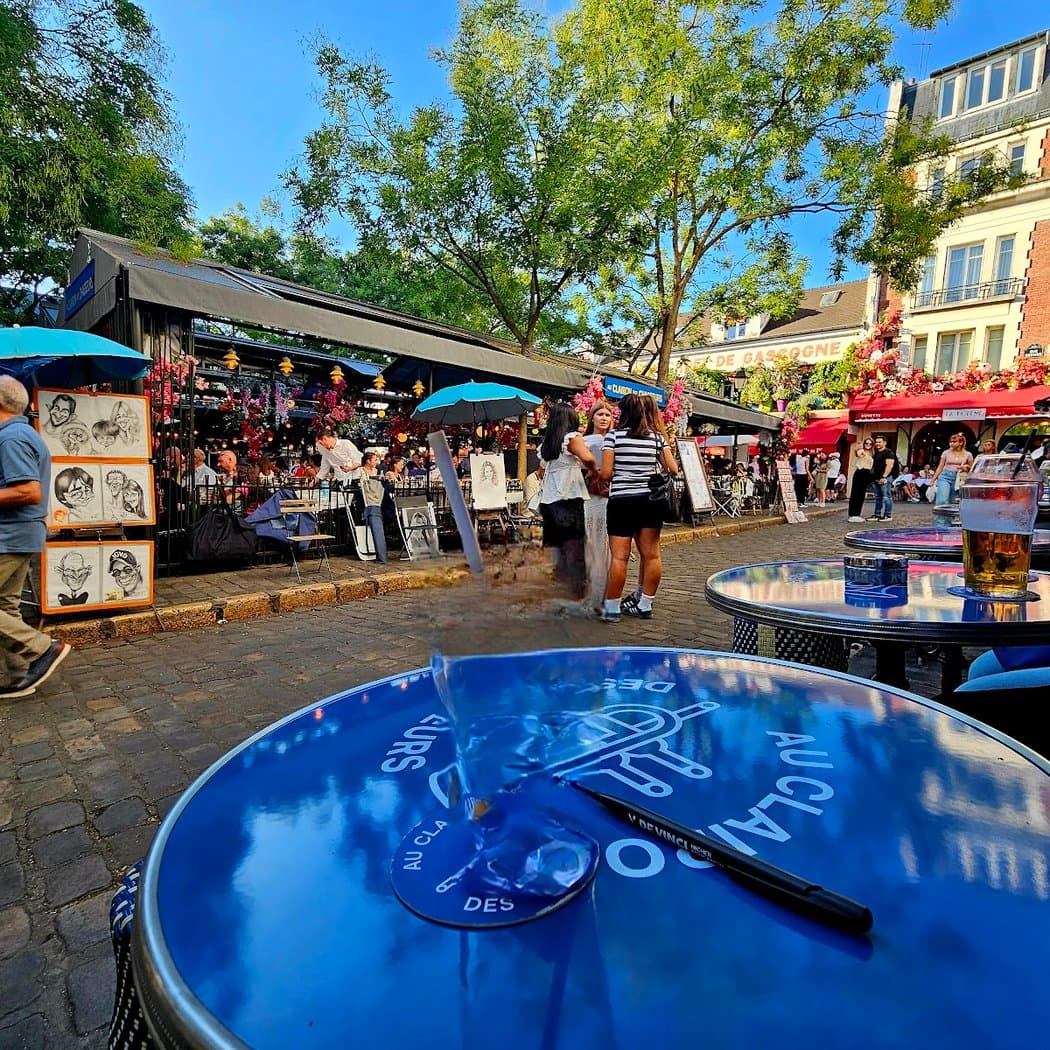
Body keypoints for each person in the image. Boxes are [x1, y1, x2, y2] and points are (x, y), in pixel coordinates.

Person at [0, 376, 70, 699]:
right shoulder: (25, 434)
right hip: (23, 534)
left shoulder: (10, 438)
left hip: (9, 536)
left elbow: (28, 490)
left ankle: (42, 648)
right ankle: (19, 675)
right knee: (6, 607)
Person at [600, 392, 679, 623]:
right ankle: (645, 605)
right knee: (651, 555)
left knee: (619, 558)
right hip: (650, 502)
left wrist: (621, 473)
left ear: (624, 413)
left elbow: (606, 474)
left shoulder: (613, 437)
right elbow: (672, 469)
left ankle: (612, 609)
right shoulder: (657, 438)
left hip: (622, 502)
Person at [538, 402, 597, 602]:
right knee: (574, 547)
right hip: (569, 500)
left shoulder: (546, 446)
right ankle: (576, 593)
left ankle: (557, 589)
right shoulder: (571, 439)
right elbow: (588, 458)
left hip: (549, 503)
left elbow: (541, 471)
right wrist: (593, 470)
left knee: (557, 549)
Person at [581, 399, 615, 612]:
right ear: (592, 417)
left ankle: (604, 595)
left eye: (608, 415)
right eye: (600, 414)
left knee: (607, 550)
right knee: (589, 546)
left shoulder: (616, 440)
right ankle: (588, 595)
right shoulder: (582, 441)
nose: (604, 418)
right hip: (588, 497)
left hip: (610, 498)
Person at [358, 452, 389, 563]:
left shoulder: (377, 472)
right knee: (376, 528)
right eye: (375, 460)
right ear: (368, 461)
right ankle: (381, 556)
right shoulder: (360, 471)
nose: (377, 462)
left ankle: (381, 556)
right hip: (367, 502)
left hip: (378, 502)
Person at [930, 432, 973, 507]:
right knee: (942, 500)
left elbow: (971, 468)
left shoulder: (968, 454)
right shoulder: (946, 453)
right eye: (950, 442)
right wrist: (933, 480)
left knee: (952, 501)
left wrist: (965, 467)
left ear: (961, 442)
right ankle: (939, 519)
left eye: (954, 442)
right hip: (945, 476)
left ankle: (949, 519)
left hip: (958, 478)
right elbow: (940, 466)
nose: (951, 443)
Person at [870, 435, 899, 521]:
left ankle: (887, 515)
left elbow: (889, 465)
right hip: (876, 478)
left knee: (886, 496)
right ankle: (877, 514)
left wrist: (884, 477)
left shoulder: (888, 452)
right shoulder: (876, 453)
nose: (877, 444)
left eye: (880, 442)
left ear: (885, 443)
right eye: (876, 442)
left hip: (885, 478)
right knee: (878, 497)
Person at [847, 437, 874, 522]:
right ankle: (853, 513)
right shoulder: (861, 450)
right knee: (855, 493)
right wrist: (860, 446)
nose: (868, 445)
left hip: (867, 473)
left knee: (861, 494)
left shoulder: (872, 453)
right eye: (867, 443)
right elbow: (858, 454)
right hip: (860, 471)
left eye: (870, 444)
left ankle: (857, 513)